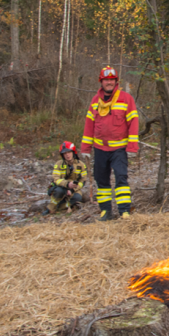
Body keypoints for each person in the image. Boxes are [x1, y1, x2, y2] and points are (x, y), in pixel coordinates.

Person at [80, 66, 139, 221]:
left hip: (119, 148)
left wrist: (132, 146)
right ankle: (105, 212)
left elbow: (133, 122)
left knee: (121, 177)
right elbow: (89, 124)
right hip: (100, 149)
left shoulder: (126, 99)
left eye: (112, 80)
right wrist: (85, 147)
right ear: (101, 82)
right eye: (106, 80)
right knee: (101, 180)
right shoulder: (95, 101)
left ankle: (124, 212)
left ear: (116, 81)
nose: (109, 82)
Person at [43, 141, 87, 215]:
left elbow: (83, 181)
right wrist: (67, 184)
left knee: (77, 198)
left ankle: (62, 206)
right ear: (62, 155)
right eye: (65, 153)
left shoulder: (81, 165)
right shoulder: (59, 164)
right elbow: (56, 179)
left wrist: (72, 189)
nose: (67, 155)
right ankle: (51, 208)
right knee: (58, 191)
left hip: (74, 189)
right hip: (61, 187)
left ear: (73, 152)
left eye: (69, 152)